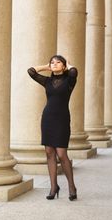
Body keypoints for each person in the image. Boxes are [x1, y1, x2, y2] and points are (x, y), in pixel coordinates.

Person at [27, 54, 78, 201]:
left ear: (63, 65)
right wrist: (45, 66)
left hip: (62, 119)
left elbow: (74, 71)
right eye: (52, 62)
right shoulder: (47, 81)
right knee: (49, 152)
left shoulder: (69, 80)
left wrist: (68, 64)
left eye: (58, 62)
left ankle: (72, 186)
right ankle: (53, 187)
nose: (54, 64)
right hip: (48, 118)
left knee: (62, 154)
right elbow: (31, 71)